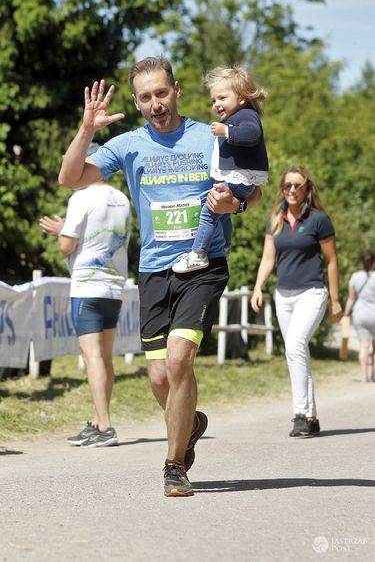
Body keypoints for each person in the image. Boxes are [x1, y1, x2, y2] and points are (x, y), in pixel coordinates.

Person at [58, 56, 261, 497]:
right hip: (153, 271)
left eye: (162, 93)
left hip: (203, 264)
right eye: (146, 97)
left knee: (178, 359)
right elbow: (69, 177)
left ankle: (174, 466)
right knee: (157, 378)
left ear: (177, 90)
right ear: (136, 102)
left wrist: (238, 205)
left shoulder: (209, 135)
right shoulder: (129, 144)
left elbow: (254, 185)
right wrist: (88, 128)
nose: (156, 104)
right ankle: (188, 424)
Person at [39, 160, 131, 448]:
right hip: (114, 285)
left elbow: (68, 246)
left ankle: (105, 426)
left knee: (91, 357)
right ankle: (96, 420)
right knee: (104, 357)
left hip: (88, 285)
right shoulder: (121, 198)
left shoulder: (80, 197)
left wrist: (61, 232)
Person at [251, 166, 342, 437]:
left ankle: (300, 414)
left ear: (306, 189)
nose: (292, 190)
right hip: (283, 295)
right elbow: (268, 259)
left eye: (297, 186)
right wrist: (258, 288)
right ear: (282, 188)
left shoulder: (319, 220)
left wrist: (335, 299)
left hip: (311, 292)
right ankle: (312, 417)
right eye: (288, 185)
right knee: (297, 352)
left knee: (295, 345)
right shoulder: (275, 220)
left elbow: (332, 261)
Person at [173, 65, 268, 273]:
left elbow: (253, 135)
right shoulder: (235, 118)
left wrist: (227, 131)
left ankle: (198, 254)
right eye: (213, 100)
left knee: (209, 210)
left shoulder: (246, 116)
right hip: (238, 179)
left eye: (222, 98)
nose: (216, 104)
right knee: (222, 214)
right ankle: (225, 246)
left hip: (240, 179)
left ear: (242, 98)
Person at [343, 250, 375, 382]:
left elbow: (351, 299)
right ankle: (374, 375)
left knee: (364, 345)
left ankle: (364, 377)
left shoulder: (355, 277)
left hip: (360, 314)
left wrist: (345, 314)